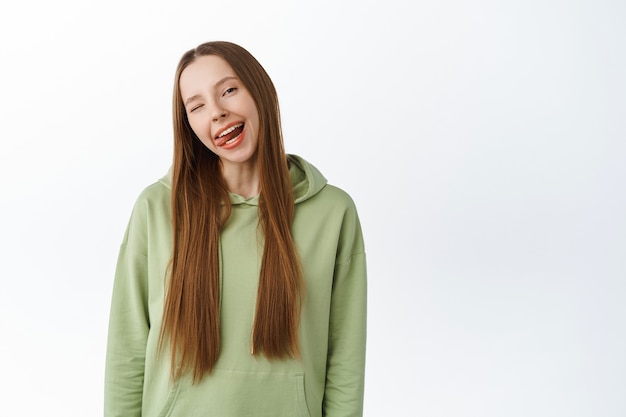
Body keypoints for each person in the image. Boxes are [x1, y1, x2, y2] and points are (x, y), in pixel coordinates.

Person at [104, 41, 367, 417]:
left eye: (228, 90)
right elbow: (127, 350)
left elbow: (345, 359)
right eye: (197, 106)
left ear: (261, 91)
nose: (217, 113)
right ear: (188, 124)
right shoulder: (157, 209)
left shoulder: (332, 212)